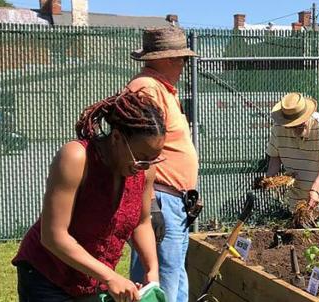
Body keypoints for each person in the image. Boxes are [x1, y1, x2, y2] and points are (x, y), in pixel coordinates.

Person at [12, 91, 166, 302]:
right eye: (140, 158)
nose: (145, 166)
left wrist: (152, 269)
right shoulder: (77, 158)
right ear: (117, 138)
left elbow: (141, 221)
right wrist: (110, 277)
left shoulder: (144, 171)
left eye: (153, 159)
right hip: (47, 277)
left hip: (92, 279)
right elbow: (53, 235)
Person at [126, 26, 199, 302]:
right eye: (181, 58)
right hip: (161, 198)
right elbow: (138, 149)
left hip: (173, 199)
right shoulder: (146, 89)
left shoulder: (162, 89)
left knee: (174, 275)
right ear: (167, 59)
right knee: (160, 278)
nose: (183, 65)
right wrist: (152, 202)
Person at [264, 92, 319, 226]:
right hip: (296, 200)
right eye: (292, 125)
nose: (296, 127)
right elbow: (274, 157)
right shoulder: (278, 128)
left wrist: (315, 189)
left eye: (300, 123)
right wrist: (270, 179)